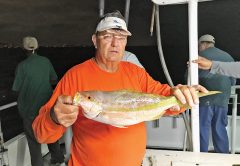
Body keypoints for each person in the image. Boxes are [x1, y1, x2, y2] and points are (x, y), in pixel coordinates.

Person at [32, 11, 208, 166]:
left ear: (125, 42)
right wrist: (54, 118)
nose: (115, 43)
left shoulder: (136, 73)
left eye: (121, 37)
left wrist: (184, 94)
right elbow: (41, 135)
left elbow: (167, 99)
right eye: (107, 36)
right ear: (95, 40)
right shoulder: (75, 76)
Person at [12, 36, 65, 166]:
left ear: (24, 49)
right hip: (46, 107)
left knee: (33, 143)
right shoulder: (45, 61)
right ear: (37, 47)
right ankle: (58, 159)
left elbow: (16, 88)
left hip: (29, 110)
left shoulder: (22, 66)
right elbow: (54, 79)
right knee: (50, 133)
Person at [197, 34, 235, 153]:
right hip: (223, 98)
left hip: (205, 96)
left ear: (202, 44)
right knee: (220, 127)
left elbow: (188, 77)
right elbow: (233, 81)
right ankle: (223, 157)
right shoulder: (228, 56)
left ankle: (200, 157)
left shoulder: (200, 56)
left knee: (202, 127)